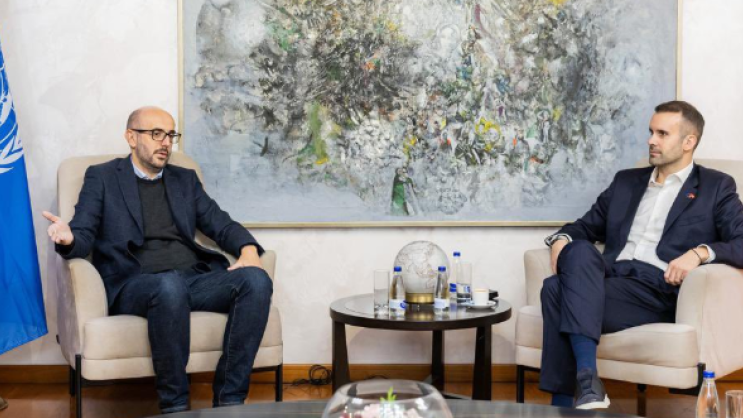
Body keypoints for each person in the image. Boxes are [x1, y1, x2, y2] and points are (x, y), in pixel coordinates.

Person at [42, 107, 272, 414]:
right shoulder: (103, 177)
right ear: (131, 137)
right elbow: (83, 231)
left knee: (256, 280)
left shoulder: (184, 180)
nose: (166, 142)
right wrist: (68, 239)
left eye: (170, 135)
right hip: (134, 283)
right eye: (156, 134)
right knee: (168, 286)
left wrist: (248, 249)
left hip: (191, 279)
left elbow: (221, 223)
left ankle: (229, 402)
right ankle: (175, 406)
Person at [540, 101, 743, 409]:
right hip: (609, 277)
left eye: (662, 133)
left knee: (555, 289)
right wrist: (561, 240)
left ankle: (564, 403)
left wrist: (699, 253)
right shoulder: (626, 182)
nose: (651, 140)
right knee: (577, 248)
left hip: (656, 288)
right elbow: (583, 227)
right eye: (651, 132)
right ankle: (588, 382)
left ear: (689, 141)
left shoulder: (715, 187)